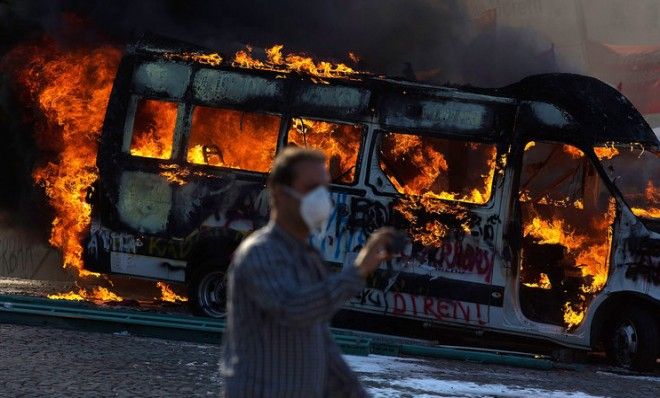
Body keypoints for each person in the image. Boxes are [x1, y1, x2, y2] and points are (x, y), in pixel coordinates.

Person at [221, 147, 395, 397]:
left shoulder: (308, 258)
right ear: (280, 195)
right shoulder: (260, 252)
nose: (322, 198)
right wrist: (357, 271)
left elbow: (322, 348)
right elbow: (292, 309)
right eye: (312, 188)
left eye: (325, 188)